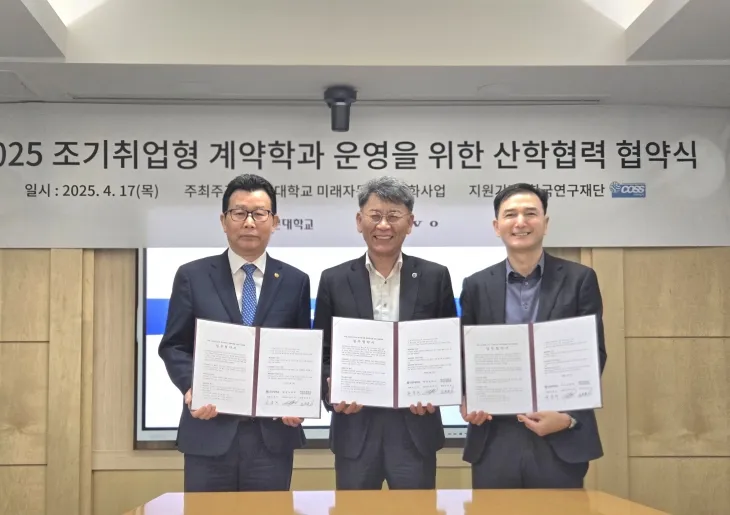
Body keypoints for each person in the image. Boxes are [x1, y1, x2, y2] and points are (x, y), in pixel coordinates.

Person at [158, 173, 311, 492]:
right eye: (239, 213)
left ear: (275, 221)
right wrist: (190, 387)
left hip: (272, 438)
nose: (249, 222)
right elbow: (174, 346)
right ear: (224, 221)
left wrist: (298, 397)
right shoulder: (192, 276)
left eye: (259, 213)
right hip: (209, 431)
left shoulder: (296, 281)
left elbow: (301, 351)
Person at [313, 175, 457, 490]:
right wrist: (331, 390)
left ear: (410, 223)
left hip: (415, 431)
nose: (383, 225)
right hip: (354, 430)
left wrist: (436, 391)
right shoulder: (334, 279)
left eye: (393, 216)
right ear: (359, 221)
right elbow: (321, 353)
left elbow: (449, 349)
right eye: (375, 216)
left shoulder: (435, 277)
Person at [460, 182, 607, 489]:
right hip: (494, 437)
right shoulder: (475, 285)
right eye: (510, 214)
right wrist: (466, 398)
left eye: (530, 213)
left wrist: (568, 417)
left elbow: (593, 354)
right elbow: (465, 355)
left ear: (545, 223)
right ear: (496, 226)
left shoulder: (579, 279)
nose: (521, 222)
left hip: (559, 435)